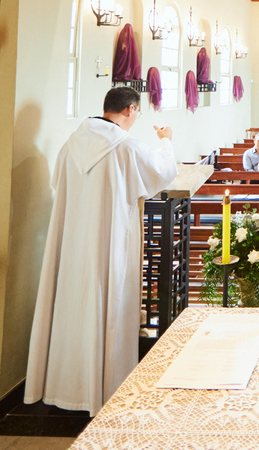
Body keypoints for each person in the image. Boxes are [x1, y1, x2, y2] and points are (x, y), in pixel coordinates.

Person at [25, 87, 177, 416]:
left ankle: (67, 388)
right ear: (131, 109)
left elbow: (59, 184)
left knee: (73, 308)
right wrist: (166, 141)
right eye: (137, 113)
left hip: (73, 245)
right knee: (110, 307)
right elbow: (162, 171)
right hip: (111, 242)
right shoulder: (125, 146)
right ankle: (107, 390)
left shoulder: (71, 144)